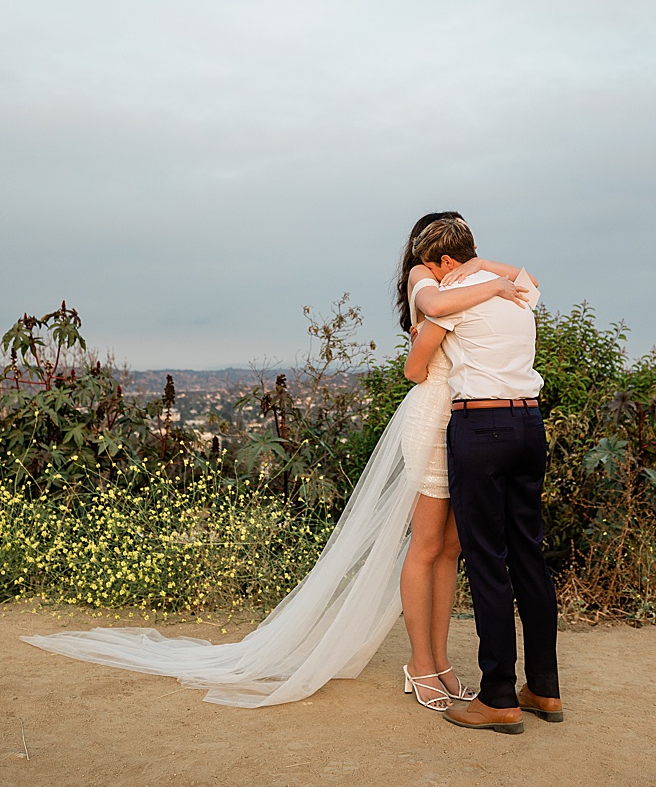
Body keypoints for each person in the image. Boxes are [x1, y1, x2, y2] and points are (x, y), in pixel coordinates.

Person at [22, 210, 530, 710]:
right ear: (431, 257)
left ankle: (441, 663)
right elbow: (415, 367)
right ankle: (422, 664)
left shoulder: (464, 277)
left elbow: (515, 278)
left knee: (450, 547)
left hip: (467, 426)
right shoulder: (427, 279)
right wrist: (484, 289)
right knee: (424, 546)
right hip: (435, 418)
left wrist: (484, 275)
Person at [403, 215, 561, 734]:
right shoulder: (517, 295)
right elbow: (528, 277)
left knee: (487, 558)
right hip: (530, 421)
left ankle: (497, 696)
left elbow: (416, 367)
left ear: (444, 262)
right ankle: (543, 688)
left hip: (481, 424)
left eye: (432, 265)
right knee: (528, 555)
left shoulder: (455, 301)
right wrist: (488, 271)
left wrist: (462, 284)